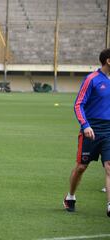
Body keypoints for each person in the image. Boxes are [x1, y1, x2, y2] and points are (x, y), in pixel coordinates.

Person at [63, 48, 110, 217]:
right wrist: (85, 125)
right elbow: (78, 104)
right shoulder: (92, 79)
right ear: (108, 61)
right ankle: (70, 196)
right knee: (82, 167)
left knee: (109, 166)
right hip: (91, 130)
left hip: (109, 131)